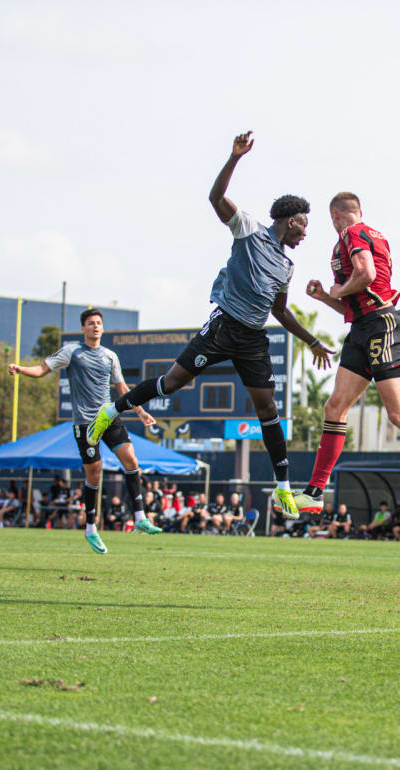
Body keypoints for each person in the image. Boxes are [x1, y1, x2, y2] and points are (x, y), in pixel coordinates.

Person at [87, 132, 334, 521]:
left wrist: (314, 341)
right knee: (170, 383)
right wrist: (234, 157)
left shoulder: (287, 265)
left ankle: (283, 489)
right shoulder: (249, 228)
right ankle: (111, 411)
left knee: (267, 407)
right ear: (291, 221)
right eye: (304, 226)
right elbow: (216, 199)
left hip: (253, 338)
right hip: (223, 326)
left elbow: (281, 312)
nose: (306, 233)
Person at [293, 191, 400, 521]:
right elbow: (356, 300)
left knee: (397, 414)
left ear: (335, 217)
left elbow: (364, 275)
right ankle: (314, 492)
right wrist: (326, 296)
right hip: (363, 327)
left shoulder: (353, 234)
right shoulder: (359, 238)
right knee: (334, 407)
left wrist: (336, 289)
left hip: (383, 324)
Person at [9, 308, 162, 555]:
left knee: (132, 460)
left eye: (99, 323)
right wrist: (21, 369)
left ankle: (141, 517)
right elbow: (41, 370)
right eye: (91, 323)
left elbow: (122, 387)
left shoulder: (110, 356)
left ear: (103, 328)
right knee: (95, 473)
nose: (95, 326)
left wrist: (141, 412)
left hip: (108, 417)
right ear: (83, 328)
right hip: (85, 423)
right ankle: (91, 527)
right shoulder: (72, 351)